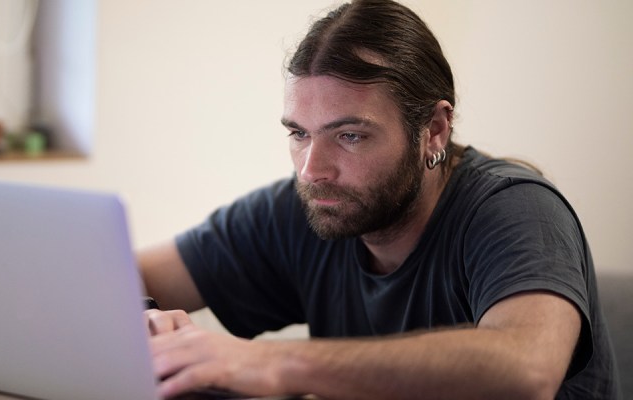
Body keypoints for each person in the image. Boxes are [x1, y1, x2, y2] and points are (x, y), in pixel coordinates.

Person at [138, 0, 621, 398]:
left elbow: (527, 369)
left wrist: (272, 362)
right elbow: (127, 276)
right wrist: (146, 323)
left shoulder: (516, 209)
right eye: (299, 134)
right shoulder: (309, 203)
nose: (312, 169)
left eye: (349, 135)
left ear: (433, 130)